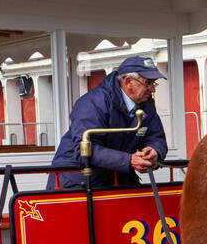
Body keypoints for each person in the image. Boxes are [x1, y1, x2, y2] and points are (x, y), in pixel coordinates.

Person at [49, 55, 168, 189]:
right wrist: (128, 160)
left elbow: (156, 137)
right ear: (128, 82)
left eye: (154, 83)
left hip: (117, 178)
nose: (152, 89)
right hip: (77, 181)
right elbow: (86, 151)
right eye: (148, 83)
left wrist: (154, 151)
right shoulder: (93, 102)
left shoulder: (146, 103)